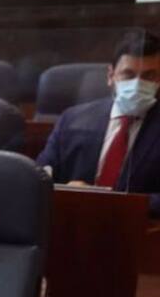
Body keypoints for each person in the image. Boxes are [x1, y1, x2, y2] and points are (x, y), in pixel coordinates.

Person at [37, 29, 160, 217]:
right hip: (72, 222)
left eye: (149, 76)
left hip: (138, 227)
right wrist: (68, 192)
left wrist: (110, 203)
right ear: (111, 76)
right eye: (128, 75)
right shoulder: (72, 120)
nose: (137, 84)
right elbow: (39, 178)